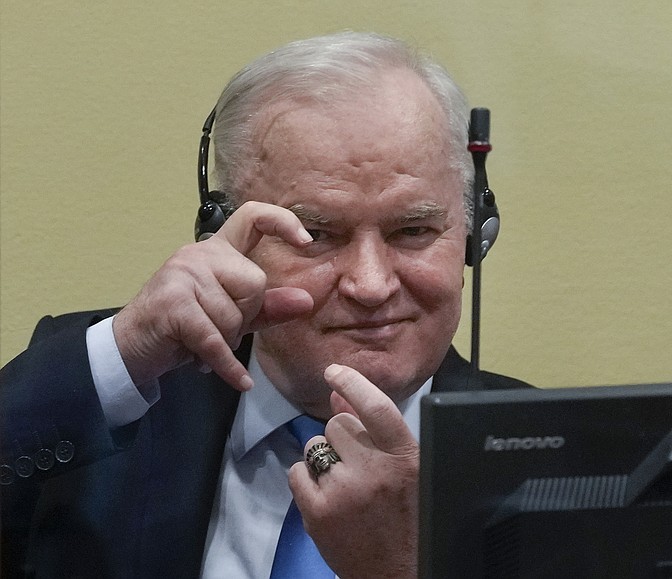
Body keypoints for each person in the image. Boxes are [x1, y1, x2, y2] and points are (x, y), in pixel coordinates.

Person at [0, 31, 529, 578]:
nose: (371, 286)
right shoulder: (106, 399)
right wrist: (125, 352)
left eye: (414, 230)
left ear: (472, 234)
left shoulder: (567, 460)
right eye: (316, 234)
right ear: (222, 236)